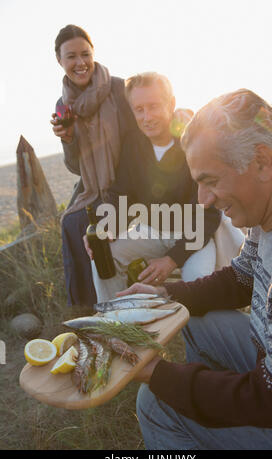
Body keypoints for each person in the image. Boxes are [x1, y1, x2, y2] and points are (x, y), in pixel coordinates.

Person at [117, 89, 272, 450]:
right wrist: (167, 294)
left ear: (262, 161)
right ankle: (214, 419)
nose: (203, 200)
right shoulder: (271, 218)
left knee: (156, 404)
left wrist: (159, 375)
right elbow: (240, 278)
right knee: (194, 318)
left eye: (210, 181)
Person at [85, 72, 235, 303]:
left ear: (171, 104)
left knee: (196, 284)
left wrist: (171, 260)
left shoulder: (194, 143)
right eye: (139, 109)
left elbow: (209, 216)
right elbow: (120, 193)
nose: (147, 117)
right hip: (152, 231)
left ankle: (197, 335)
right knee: (105, 256)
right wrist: (104, 227)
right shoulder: (133, 144)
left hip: (194, 237)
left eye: (154, 106)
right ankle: (117, 322)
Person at [51, 24, 137, 307]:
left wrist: (116, 193)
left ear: (93, 53)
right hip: (94, 184)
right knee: (71, 222)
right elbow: (76, 168)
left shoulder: (119, 89)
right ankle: (90, 307)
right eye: (71, 56)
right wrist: (69, 139)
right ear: (59, 61)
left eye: (85, 54)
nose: (80, 63)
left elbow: (136, 147)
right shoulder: (64, 104)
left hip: (127, 180)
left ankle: (112, 302)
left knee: (92, 220)